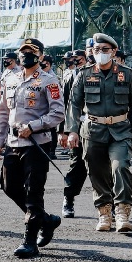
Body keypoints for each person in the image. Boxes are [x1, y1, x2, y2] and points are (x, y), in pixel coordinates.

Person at [66, 33, 132, 232]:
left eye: (105, 50)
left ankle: (122, 212)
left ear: (113, 51)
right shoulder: (84, 74)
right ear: (91, 52)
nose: (101, 53)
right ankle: (104, 212)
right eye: (97, 50)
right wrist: (71, 131)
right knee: (97, 173)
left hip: (120, 130)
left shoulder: (127, 74)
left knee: (120, 167)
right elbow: (74, 104)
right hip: (93, 131)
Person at [0, 38, 65, 258]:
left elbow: (57, 113)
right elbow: (3, 112)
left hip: (36, 144)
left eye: (31, 52)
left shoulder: (49, 81)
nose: (26, 56)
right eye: (22, 52)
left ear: (40, 56)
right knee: (8, 186)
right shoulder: (11, 79)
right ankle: (45, 219)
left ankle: (29, 240)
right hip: (13, 144)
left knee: (34, 193)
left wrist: (33, 127)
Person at [58, 50, 89, 218]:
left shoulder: (95, 73)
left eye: (79, 60)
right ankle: (68, 199)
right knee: (76, 165)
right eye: (73, 60)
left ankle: (110, 205)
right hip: (75, 126)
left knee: (104, 167)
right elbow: (64, 105)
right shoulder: (70, 77)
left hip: (95, 125)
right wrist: (63, 130)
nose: (76, 63)